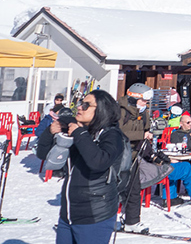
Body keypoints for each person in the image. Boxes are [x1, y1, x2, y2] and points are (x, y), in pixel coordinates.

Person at [36, 90, 125, 244]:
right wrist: (50, 132)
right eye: (80, 104)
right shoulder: (77, 130)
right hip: (68, 213)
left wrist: (79, 133)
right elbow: (43, 154)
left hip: (94, 215)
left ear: (101, 109)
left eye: (86, 105)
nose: (79, 108)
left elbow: (98, 162)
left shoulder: (112, 135)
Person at [118, 84, 154, 233]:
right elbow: (116, 133)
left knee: (134, 188)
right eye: (144, 101)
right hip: (118, 156)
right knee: (114, 188)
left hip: (134, 155)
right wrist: (141, 136)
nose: (146, 104)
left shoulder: (143, 113)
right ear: (134, 98)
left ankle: (132, 221)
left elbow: (146, 129)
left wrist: (149, 133)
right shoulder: (120, 111)